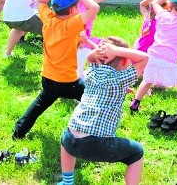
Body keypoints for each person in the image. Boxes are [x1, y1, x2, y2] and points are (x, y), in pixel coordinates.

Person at [12, 0, 100, 139]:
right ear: (73, 10)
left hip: (48, 77)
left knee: (40, 103)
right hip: (67, 82)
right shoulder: (70, 25)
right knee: (93, 99)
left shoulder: (48, 19)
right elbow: (94, 9)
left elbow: (40, 1)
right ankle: (94, 132)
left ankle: (19, 131)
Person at [58, 37, 148, 185]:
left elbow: (90, 57)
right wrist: (117, 51)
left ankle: (67, 181)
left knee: (66, 137)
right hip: (97, 143)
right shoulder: (121, 78)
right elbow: (144, 58)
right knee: (136, 152)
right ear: (125, 62)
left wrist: (101, 51)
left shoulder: (92, 71)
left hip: (70, 138)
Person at [76, 0, 112, 77]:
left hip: (83, 38)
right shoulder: (90, 3)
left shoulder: (78, 0)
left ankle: (94, 75)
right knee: (78, 69)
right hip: (82, 40)